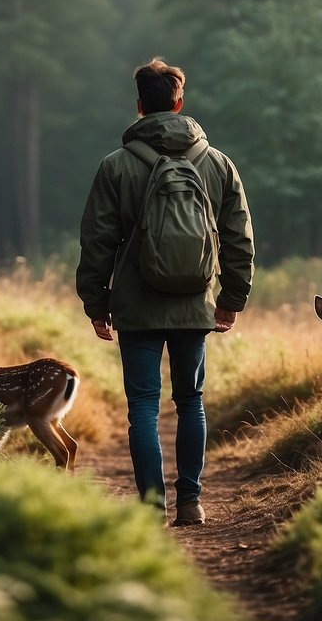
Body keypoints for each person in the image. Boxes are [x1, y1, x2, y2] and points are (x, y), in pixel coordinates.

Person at [76, 56, 254, 526]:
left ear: (139, 106)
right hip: (196, 303)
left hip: (136, 306)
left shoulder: (115, 167)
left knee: (142, 407)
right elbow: (239, 238)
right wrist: (232, 299)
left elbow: (96, 240)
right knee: (191, 402)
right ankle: (191, 502)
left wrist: (96, 302)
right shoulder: (217, 164)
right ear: (179, 103)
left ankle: (152, 504)